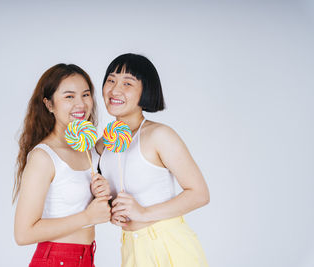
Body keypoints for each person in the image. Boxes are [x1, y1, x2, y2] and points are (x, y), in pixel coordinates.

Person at [95, 53, 210, 267]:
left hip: (169, 245)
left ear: (145, 91)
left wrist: (144, 212)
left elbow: (200, 194)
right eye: (110, 80)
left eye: (127, 83)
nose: (115, 89)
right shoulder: (104, 145)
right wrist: (113, 211)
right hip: (131, 248)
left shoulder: (159, 135)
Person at [13, 63, 111, 267]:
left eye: (85, 95)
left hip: (87, 259)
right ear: (49, 105)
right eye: (69, 96)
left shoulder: (89, 150)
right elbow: (23, 234)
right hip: (56, 260)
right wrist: (87, 216)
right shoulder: (44, 157)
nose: (81, 104)